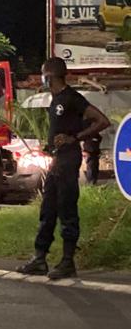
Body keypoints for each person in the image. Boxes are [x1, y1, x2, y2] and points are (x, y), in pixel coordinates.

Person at [17, 57, 110, 280]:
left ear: (49, 76)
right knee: (47, 209)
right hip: (56, 161)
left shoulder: (72, 98)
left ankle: (68, 262)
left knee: (67, 209)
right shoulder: (55, 99)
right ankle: (40, 258)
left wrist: (74, 138)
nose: (41, 78)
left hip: (69, 160)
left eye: (42, 74)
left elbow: (102, 121)